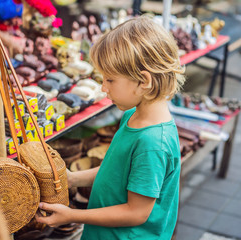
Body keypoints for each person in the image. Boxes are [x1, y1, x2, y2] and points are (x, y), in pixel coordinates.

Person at [35, 16, 185, 239]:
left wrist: (72, 216)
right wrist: (73, 179)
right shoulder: (132, 116)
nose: (103, 88)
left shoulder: (152, 143)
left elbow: (136, 213)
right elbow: (116, 172)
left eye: (110, 80)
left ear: (144, 81)